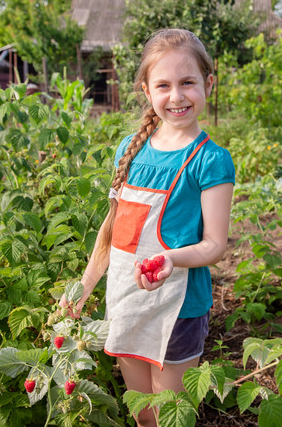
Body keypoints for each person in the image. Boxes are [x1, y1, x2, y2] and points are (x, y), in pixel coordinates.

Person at [59, 28, 234, 427]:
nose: (177, 96)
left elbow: (214, 245)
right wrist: (82, 289)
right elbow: (112, 229)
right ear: (146, 90)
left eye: (188, 82)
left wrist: (170, 258)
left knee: (171, 414)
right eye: (164, 85)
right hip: (125, 298)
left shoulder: (211, 161)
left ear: (208, 83)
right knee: (143, 414)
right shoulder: (130, 148)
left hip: (179, 308)